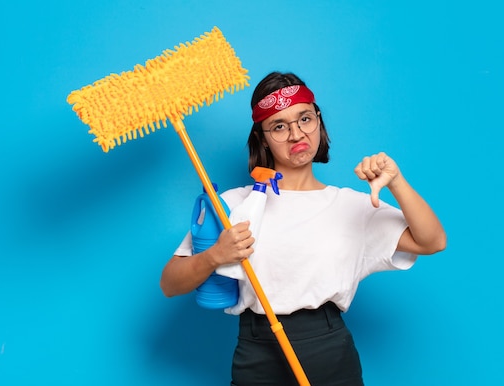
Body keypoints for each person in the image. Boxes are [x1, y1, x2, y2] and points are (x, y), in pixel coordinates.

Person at [160, 72, 446, 385]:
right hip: (257, 351)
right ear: (263, 137)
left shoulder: (350, 206)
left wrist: (397, 181)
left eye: (305, 119)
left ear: (319, 123)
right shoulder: (232, 206)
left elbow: (432, 241)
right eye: (279, 126)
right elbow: (170, 283)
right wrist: (215, 256)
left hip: (329, 349)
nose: (297, 135)